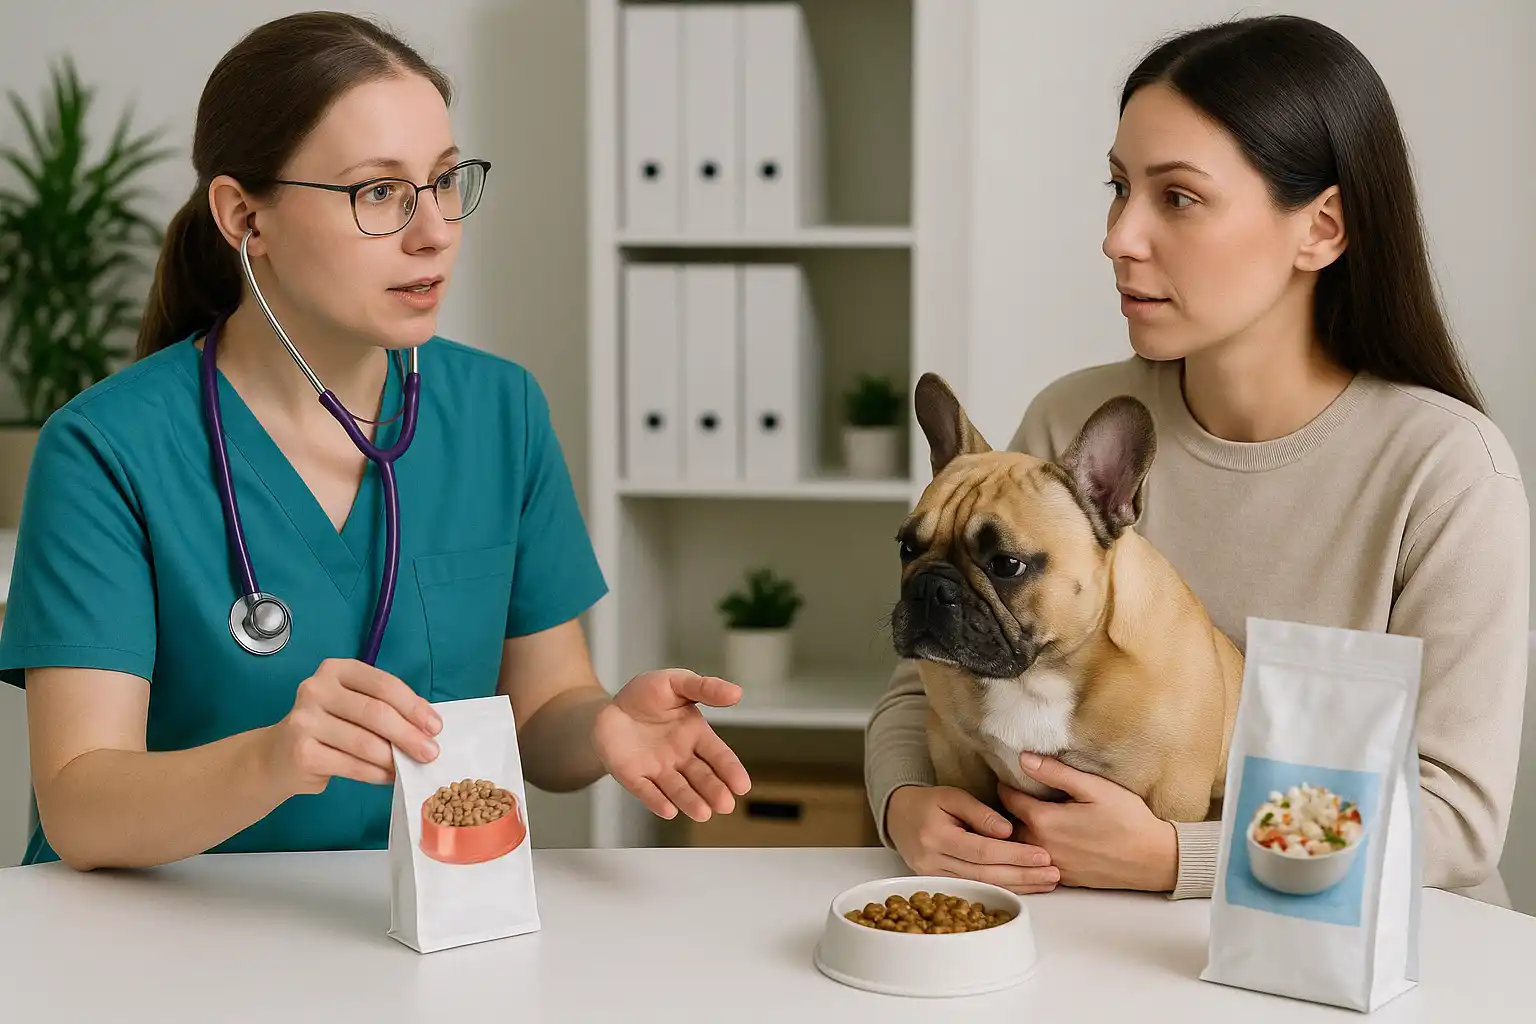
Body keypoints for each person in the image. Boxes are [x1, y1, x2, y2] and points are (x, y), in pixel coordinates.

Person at [0, 12, 751, 870]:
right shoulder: (104, 451)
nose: (433, 230)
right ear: (245, 216)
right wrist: (273, 760)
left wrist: (604, 725)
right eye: (379, 192)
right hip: (157, 943)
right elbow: (80, 807)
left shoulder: (500, 413)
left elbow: (546, 712)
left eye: (443, 180)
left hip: (406, 936)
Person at [866, 14, 1529, 907]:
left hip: (1379, 951)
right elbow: (930, 684)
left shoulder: (1445, 470)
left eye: (1177, 198)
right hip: (1108, 938)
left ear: (1322, 228)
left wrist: (1186, 860)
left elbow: (1453, 819)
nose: (1119, 236)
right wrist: (906, 801)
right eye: (1116, 187)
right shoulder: (1066, 422)